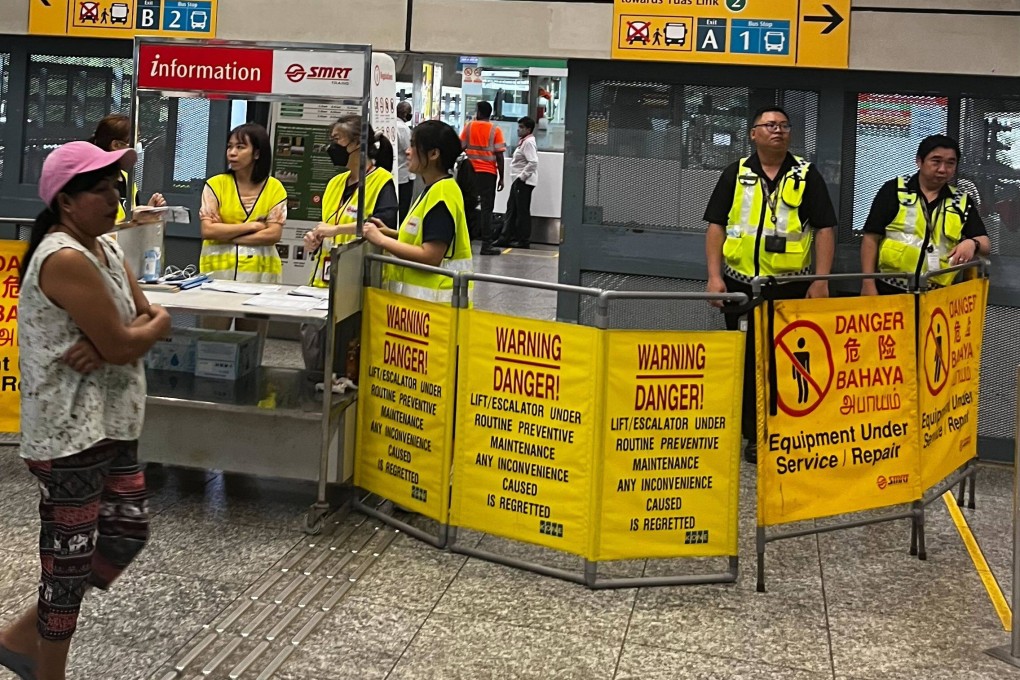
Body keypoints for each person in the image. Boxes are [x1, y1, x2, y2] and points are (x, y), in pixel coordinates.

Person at [0, 141, 170, 680]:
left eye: (116, 186)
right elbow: (129, 339)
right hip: (70, 435)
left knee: (126, 531)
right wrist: (124, 340)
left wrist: (126, 338)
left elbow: (152, 316)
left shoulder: (105, 249)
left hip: (112, 422)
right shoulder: (65, 257)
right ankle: (48, 671)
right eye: (100, 189)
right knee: (67, 567)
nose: (114, 197)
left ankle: (18, 638)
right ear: (66, 202)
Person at [703, 106, 837, 463]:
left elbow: (825, 229)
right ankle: (752, 432)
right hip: (740, 286)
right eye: (770, 125)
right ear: (753, 134)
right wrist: (714, 276)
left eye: (784, 126)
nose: (777, 131)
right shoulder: (735, 174)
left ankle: (783, 428)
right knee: (746, 361)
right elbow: (716, 225)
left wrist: (820, 281)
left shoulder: (808, 176)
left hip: (791, 287)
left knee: (786, 360)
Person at [860, 135, 990, 295]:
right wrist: (868, 283)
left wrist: (972, 243)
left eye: (950, 163)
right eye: (936, 161)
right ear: (919, 161)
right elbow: (871, 238)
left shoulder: (961, 201)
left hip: (937, 295)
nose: (943, 169)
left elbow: (985, 244)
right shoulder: (894, 190)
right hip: (889, 289)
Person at [362, 120, 473, 303]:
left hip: (435, 307)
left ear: (434, 154)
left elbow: (431, 255)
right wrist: (392, 234)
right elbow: (426, 235)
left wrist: (381, 240)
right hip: (421, 309)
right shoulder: (434, 188)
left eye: (413, 145)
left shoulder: (442, 194)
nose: (407, 151)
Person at [303, 115, 398, 287]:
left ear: (357, 144)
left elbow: (383, 228)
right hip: (324, 282)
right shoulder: (335, 183)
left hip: (359, 281)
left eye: (337, 139)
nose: (331, 146)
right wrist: (314, 240)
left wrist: (336, 230)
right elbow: (328, 226)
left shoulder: (382, 181)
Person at [199, 122, 286, 283]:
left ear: (257, 154)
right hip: (218, 278)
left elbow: (273, 234)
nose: (232, 153)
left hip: (262, 278)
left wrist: (226, 234)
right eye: (229, 147)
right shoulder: (215, 185)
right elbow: (208, 230)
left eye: (240, 147)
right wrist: (253, 227)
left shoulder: (274, 188)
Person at [89, 113, 166, 224]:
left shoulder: (127, 179)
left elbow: (133, 219)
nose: (139, 144)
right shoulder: (94, 180)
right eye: (136, 139)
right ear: (116, 145)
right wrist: (132, 218)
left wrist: (147, 212)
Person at [460, 101, 506, 256]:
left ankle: (465, 242)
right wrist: (501, 177)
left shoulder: (469, 127)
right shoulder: (496, 130)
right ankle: (486, 245)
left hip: (469, 173)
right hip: (488, 174)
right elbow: (499, 155)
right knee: (487, 209)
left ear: (479, 112)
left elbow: (459, 147)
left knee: (467, 206)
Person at [494, 116, 539, 249]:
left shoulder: (529, 143)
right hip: (519, 182)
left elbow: (533, 162)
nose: (518, 130)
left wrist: (522, 178)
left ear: (528, 129)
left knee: (521, 211)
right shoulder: (524, 141)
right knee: (512, 209)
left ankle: (523, 240)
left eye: (521, 127)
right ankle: (506, 237)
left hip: (523, 182)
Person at [395, 102, 416, 222]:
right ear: (405, 113)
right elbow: (409, 149)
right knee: (403, 206)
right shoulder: (403, 128)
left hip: (395, 171)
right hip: (404, 174)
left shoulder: (391, 124)